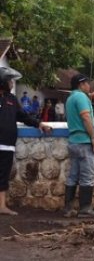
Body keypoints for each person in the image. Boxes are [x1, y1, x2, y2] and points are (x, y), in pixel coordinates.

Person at [0, 67, 52, 215]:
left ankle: (1, 206)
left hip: (7, 145)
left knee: (3, 176)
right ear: (3, 82)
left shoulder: (11, 99)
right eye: (9, 80)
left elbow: (24, 117)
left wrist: (39, 124)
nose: (11, 83)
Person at [63, 73, 94, 218]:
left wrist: (93, 125)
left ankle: (68, 209)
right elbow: (86, 117)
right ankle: (85, 209)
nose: (89, 85)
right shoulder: (81, 97)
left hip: (73, 141)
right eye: (87, 83)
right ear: (81, 84)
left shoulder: (70, 98)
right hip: (84, 142)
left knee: (73, 176)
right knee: (88, 176)